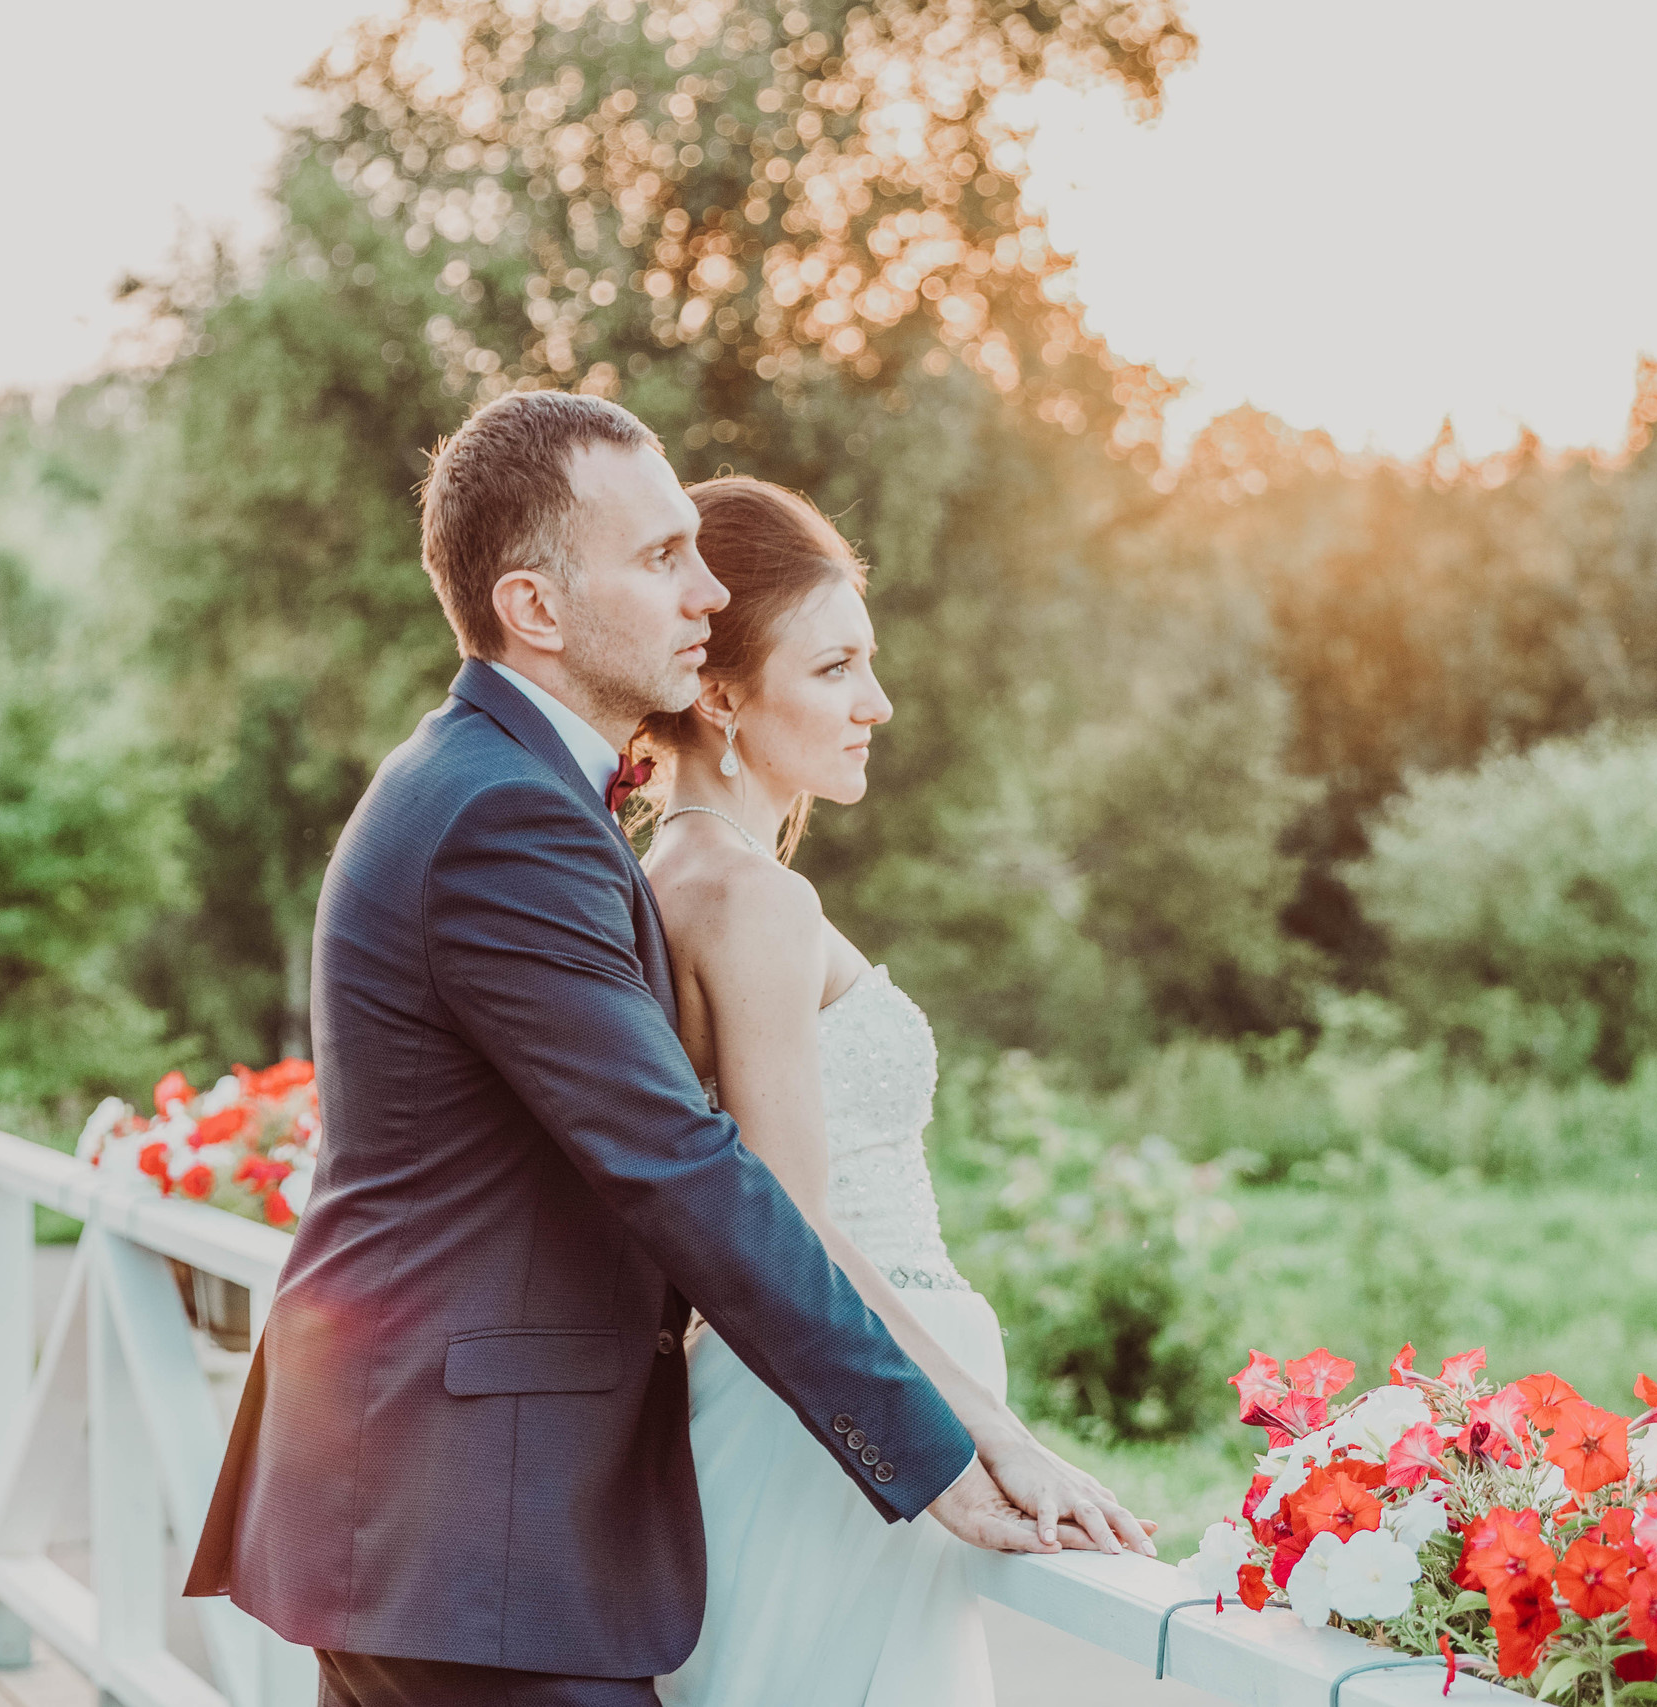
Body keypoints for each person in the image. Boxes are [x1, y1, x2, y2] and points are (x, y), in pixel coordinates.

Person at [183, 391, 1149, 1707]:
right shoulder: (504, 821)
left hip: (459, 1509)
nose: (706, 593)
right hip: (474, 1523)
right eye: (659, 558)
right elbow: (682, 1169)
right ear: (534, 606)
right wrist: (950, 1444)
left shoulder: (509, 792)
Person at [640, 479, 1133, 1706]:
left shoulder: (676, 873)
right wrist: (988, 1433)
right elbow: (792, 1229)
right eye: (836, 667)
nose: (878, 704)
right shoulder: (752, 900)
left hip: (816, 1399)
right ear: (719, 692)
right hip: (845, 1409)